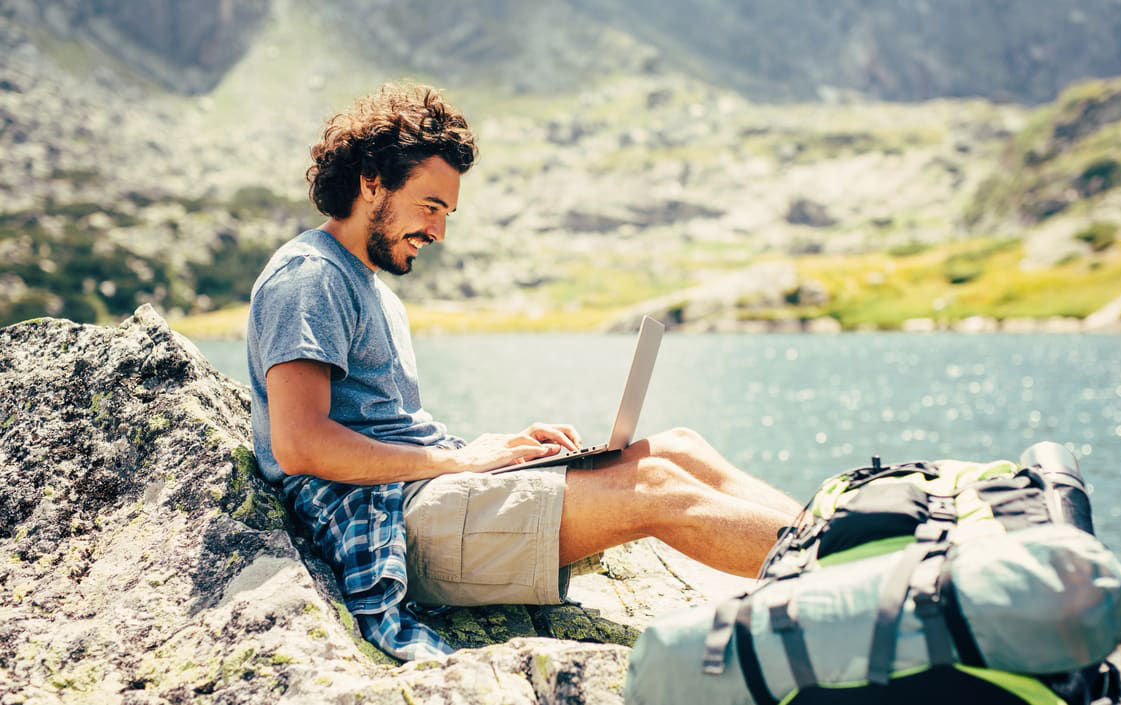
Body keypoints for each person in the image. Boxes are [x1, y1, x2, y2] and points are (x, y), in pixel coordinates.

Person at [246, 82, 802, 660]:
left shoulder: (368, 286)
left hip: (422, 494)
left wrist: (488, 450)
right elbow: (300, 445)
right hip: (383, 525)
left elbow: (388, 429)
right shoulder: (310, 278)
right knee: (655, 489)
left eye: (446, 213)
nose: (439, 231)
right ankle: (846, 571)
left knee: (676, 448)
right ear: (371, 182)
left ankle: (854, 532)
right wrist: (457, 462)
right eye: (430, 206)